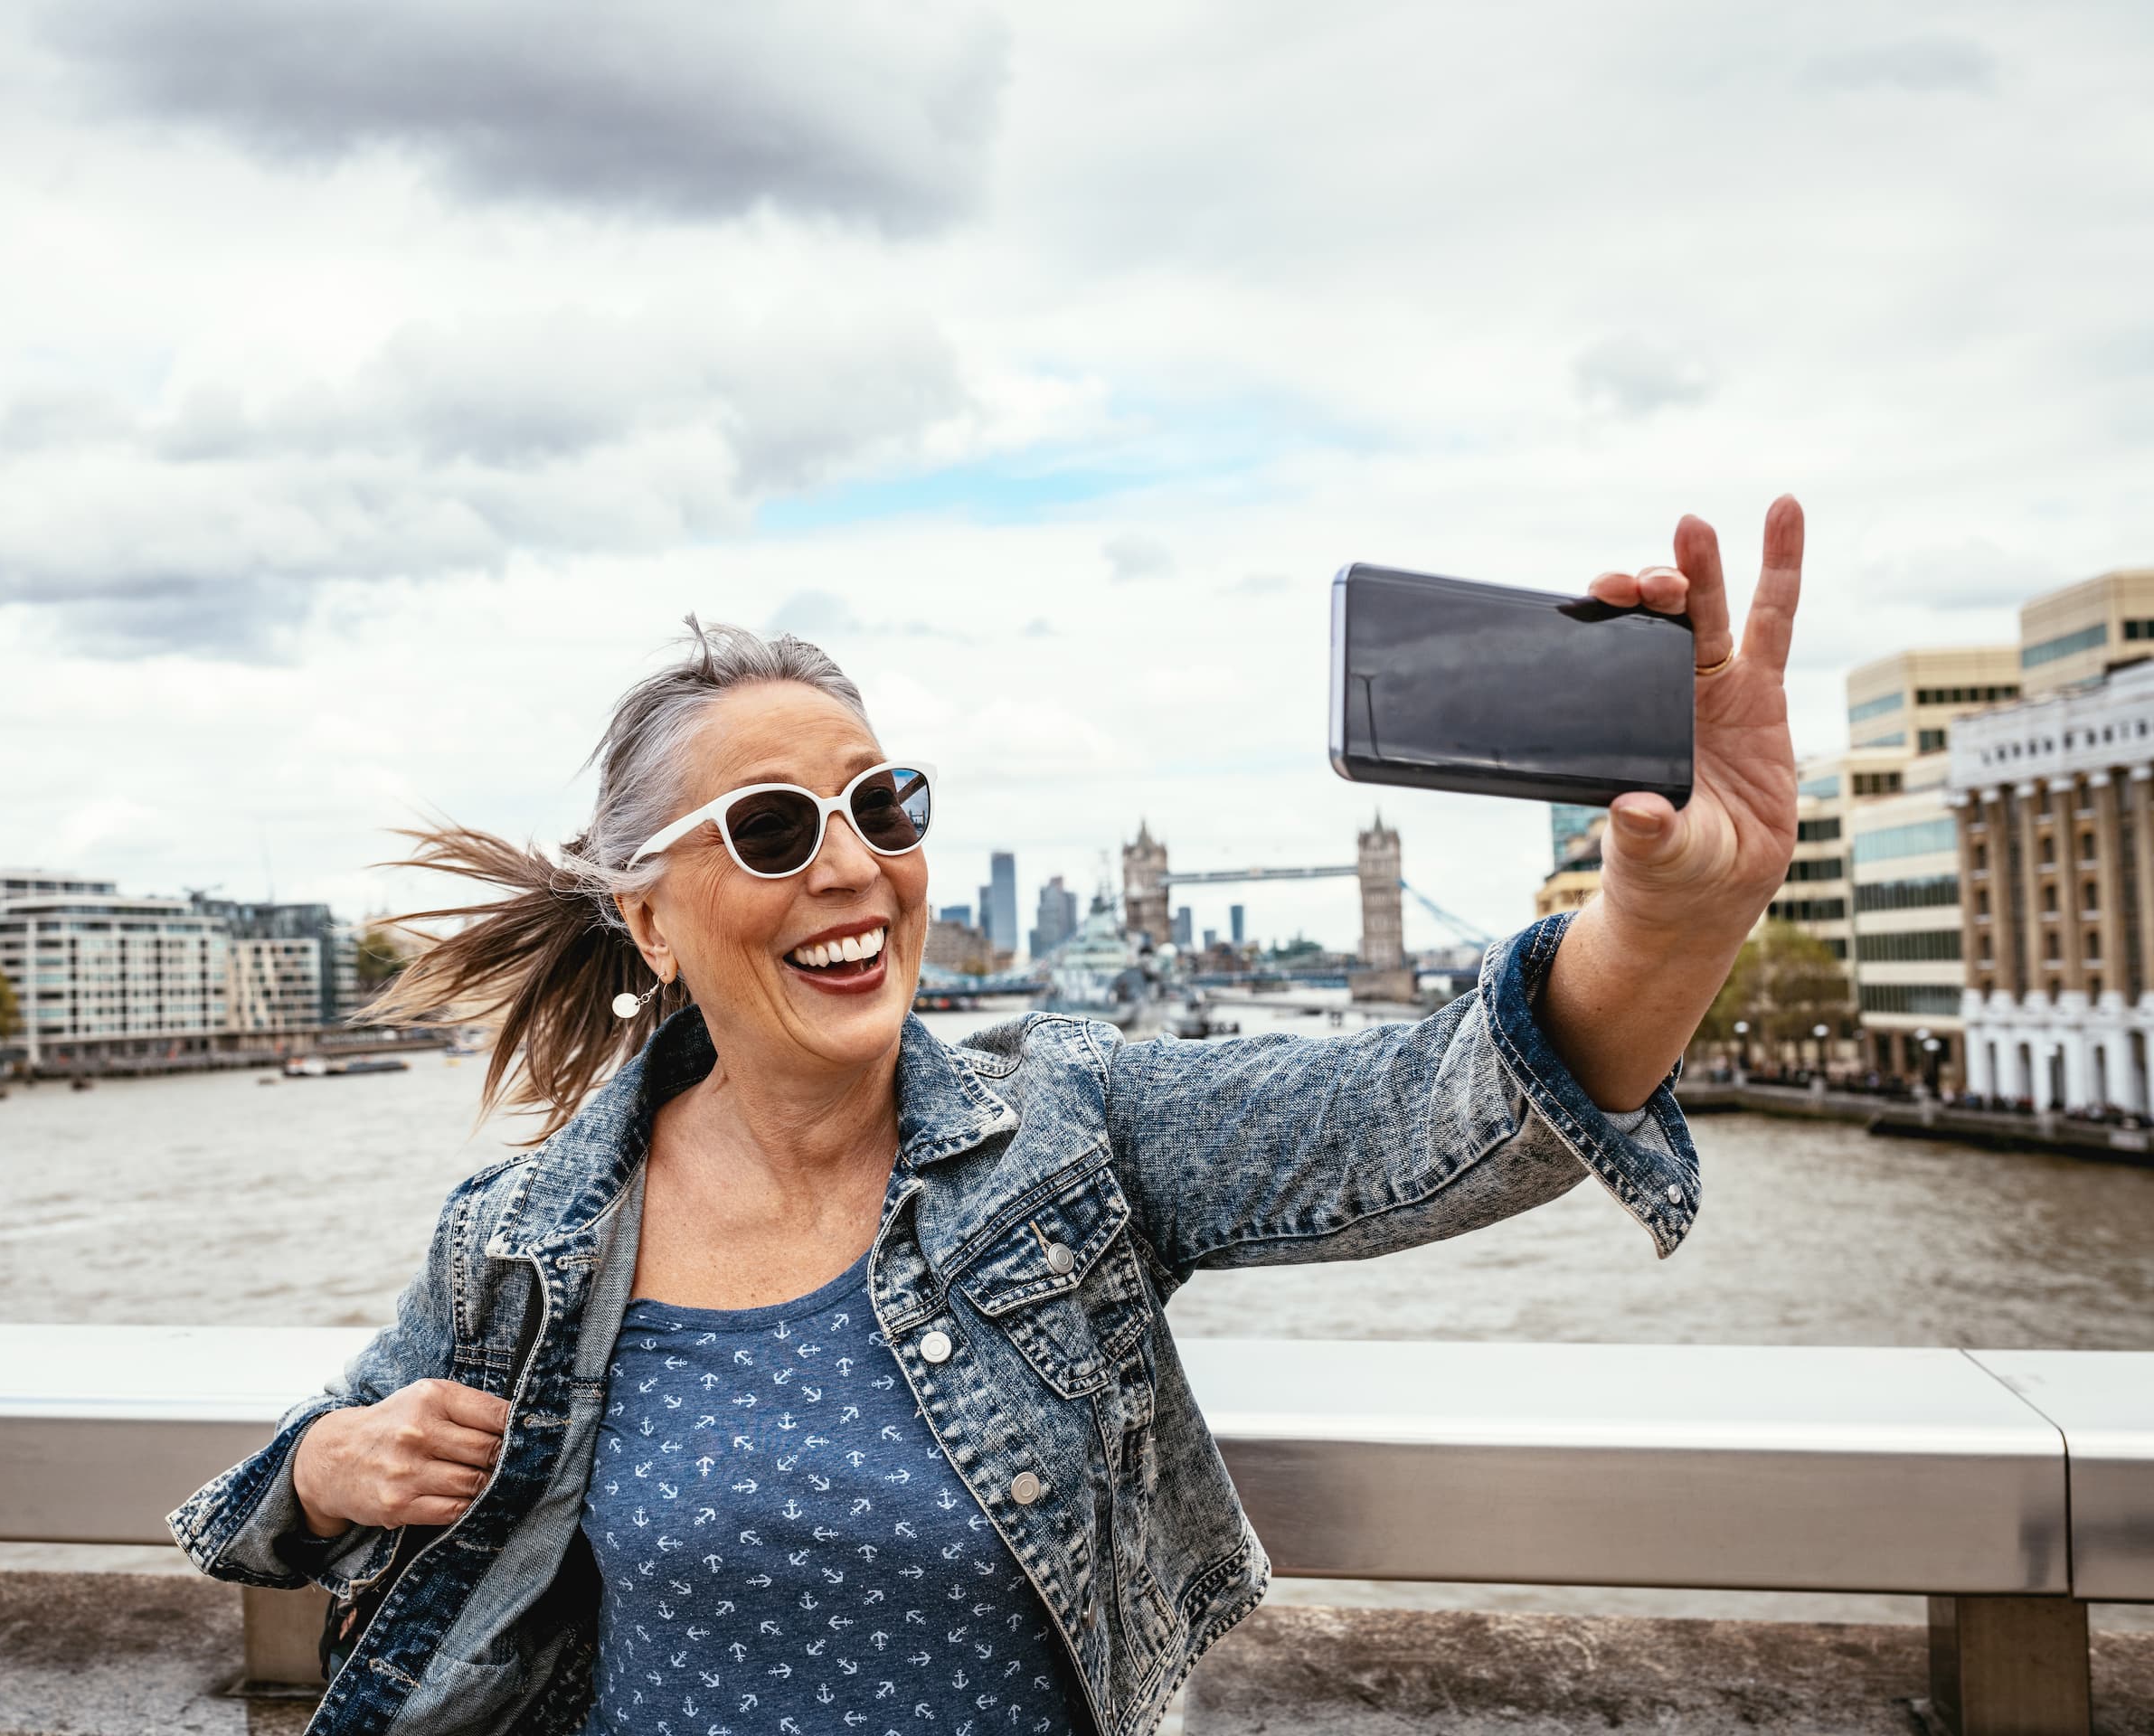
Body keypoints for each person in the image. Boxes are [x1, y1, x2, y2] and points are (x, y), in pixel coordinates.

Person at [172, 500, 1807, 1736]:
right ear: (650, 922)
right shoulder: (524, 1245)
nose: (851, 866)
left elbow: (1441, 1111)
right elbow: (256, 1515)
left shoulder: (1072, 1131)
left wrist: (1672, 921)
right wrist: (328, 1464)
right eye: (771, 828)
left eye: (881, 806)